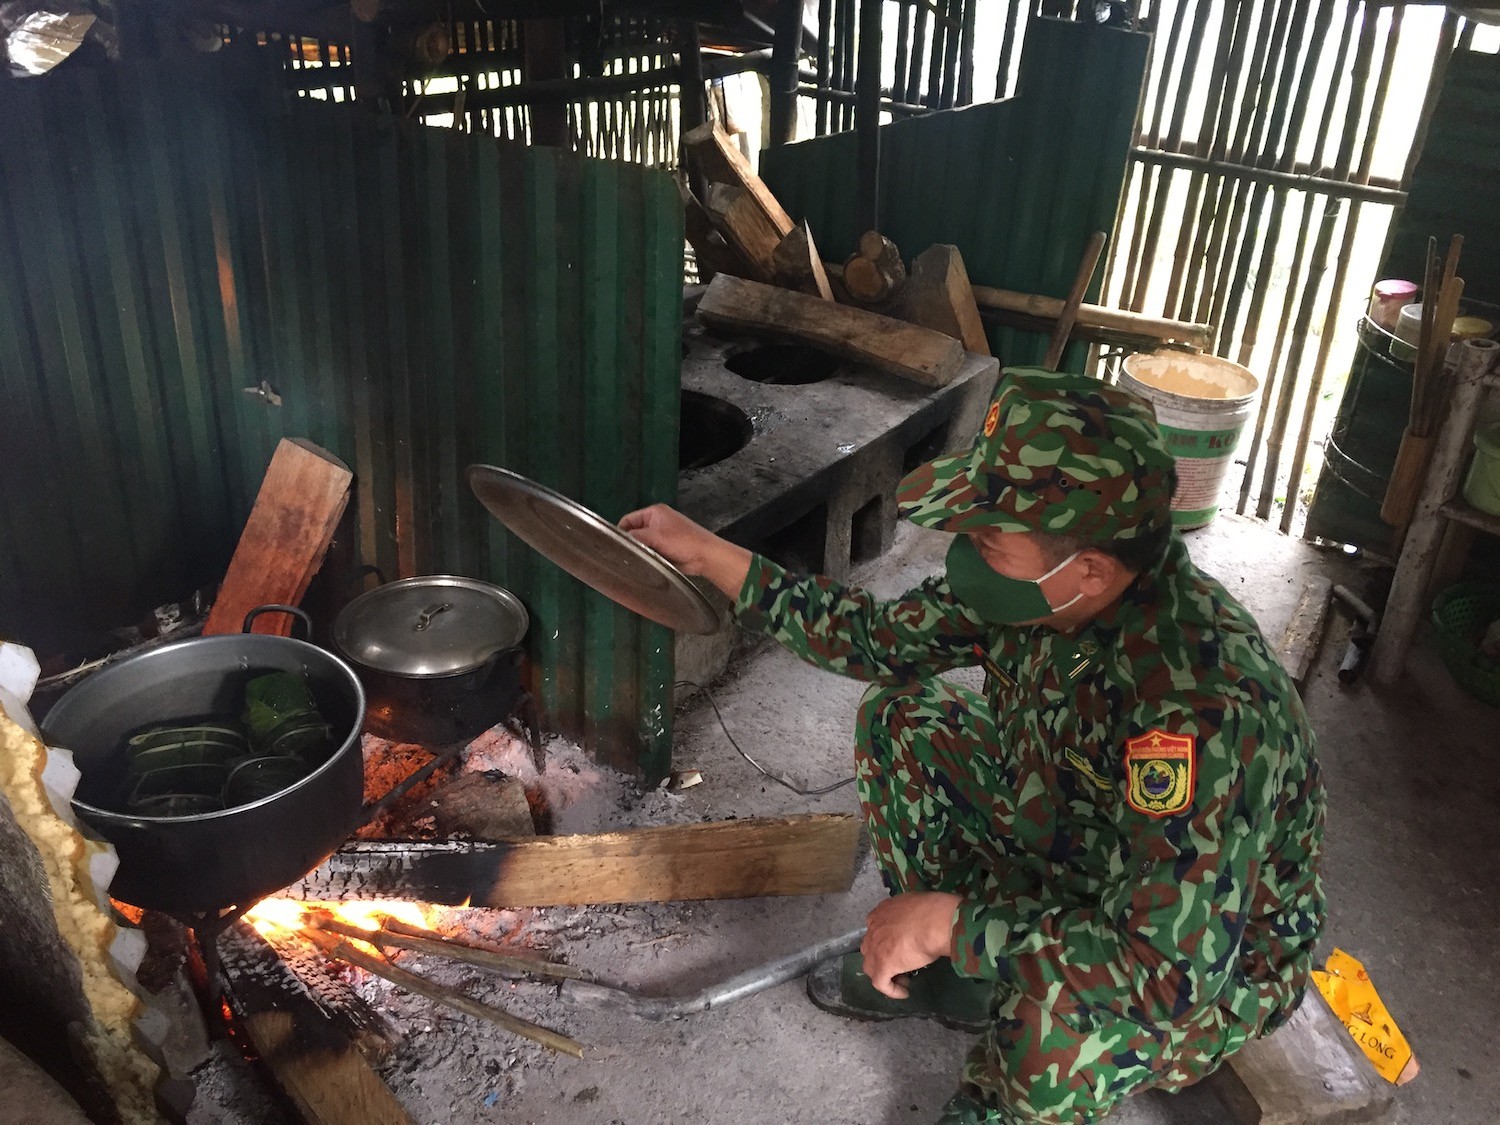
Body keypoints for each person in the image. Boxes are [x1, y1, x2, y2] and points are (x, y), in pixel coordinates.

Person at [621, 367, 1326, 1124]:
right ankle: (962, 976)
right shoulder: (1028, 592)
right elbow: (876, 641)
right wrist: (708, 553)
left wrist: (949, 921)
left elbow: (1167, 970)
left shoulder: (1198, 710)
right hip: (1078, 832)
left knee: (1045, 1038)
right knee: (904, 717)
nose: (966, 545)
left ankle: (994, 1046)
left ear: (1088, 569)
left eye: (991, 534)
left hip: (1202, 958)